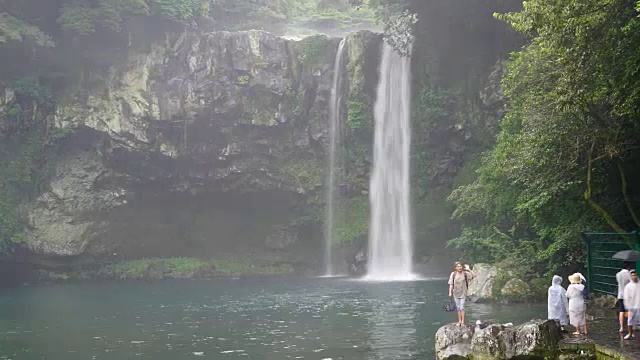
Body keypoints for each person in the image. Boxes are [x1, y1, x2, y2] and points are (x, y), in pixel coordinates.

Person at [448, 261, 477, 326]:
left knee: (462, 307)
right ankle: (459, 321)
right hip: (455, 293)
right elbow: (451, 284)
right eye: (458, 266)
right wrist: (450, 292)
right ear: (455, 268)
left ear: (462, 267)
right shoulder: (453, 274)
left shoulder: (465, 274)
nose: (459, 267)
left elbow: (474, 276)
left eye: (460, 266)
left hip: (463, 293)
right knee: (458, 308)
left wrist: (469, 269)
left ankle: (463, 322)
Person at [623, 269, 640, 340]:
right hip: (631, 307)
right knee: (629, 321)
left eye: (635, 275)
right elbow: (626, 296)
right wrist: (627, 306)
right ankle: (630, 333)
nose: (634, 277)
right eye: (632, 275)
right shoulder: (628, 286)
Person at [616, 262, 632, 333]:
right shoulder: (629, 274)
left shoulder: (618, 274)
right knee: (629, 311)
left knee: (621, 311)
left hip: (620, 295)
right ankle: (630, 326)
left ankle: (621, 327)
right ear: (628, 267)